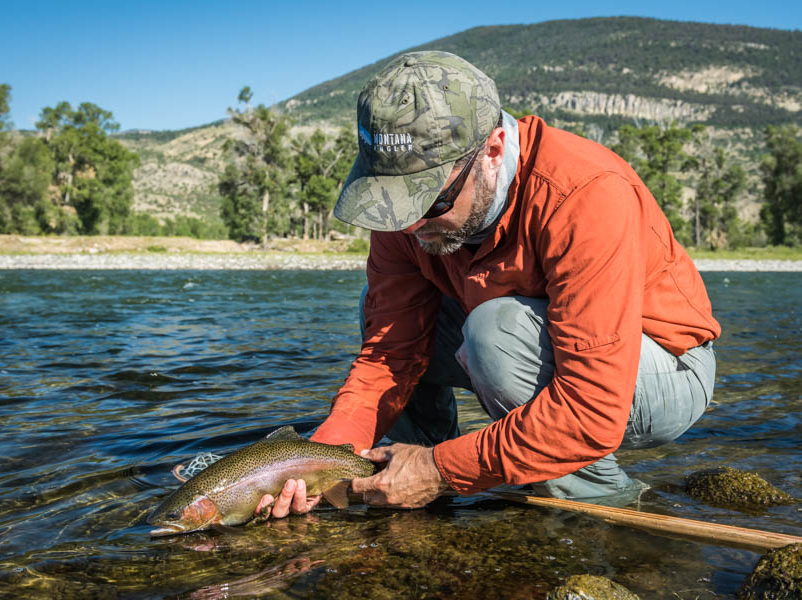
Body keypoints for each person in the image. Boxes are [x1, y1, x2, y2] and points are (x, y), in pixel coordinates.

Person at [256, 50, 719, 519]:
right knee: (383, 316)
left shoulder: (586, 194)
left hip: (663, 371)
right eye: (394, 203)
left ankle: (601, 495)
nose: (410, 224)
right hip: (528, 347)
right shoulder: (406, 220)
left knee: (495, 332)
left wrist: (439, 470)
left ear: (493, 151)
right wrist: (315, 465)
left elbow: (592, 409)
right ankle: (405, 481)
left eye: (429, 201)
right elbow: (388, 357)